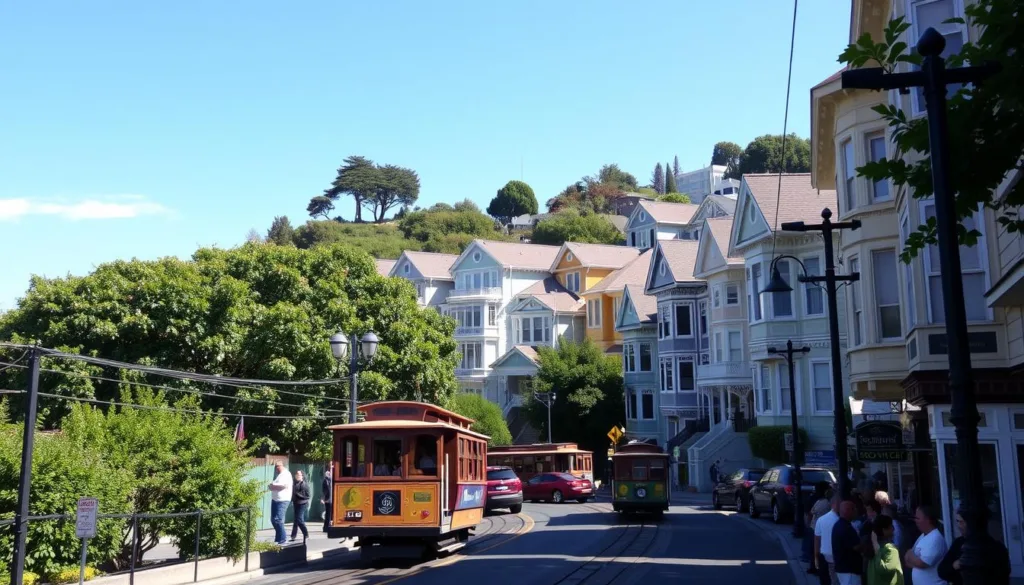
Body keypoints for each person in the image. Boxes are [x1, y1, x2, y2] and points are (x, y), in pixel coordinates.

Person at [937, 511, 1011, 585]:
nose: (959, 525)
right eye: (958, 521)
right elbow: (942, 570)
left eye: (962, 522)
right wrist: (955, 565)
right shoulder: (958, 543)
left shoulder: (996, 548)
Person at [904, 505, 947, 585]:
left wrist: (912, 558)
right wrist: (913, 559)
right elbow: (907, 560)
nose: (915, 521)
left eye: (918, 518)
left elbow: (922, 563)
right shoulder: (923, 536)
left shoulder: (935, 539)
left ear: (927, 520)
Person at [833, 500, 864, 585]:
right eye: (854, 509)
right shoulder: (845, 528)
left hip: (844, 569)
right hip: (849, 570)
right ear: (848, 510)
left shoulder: (839, 525)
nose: (856, 511)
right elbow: (856, 546)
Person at [866, 514, 903, 585]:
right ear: (884, 530)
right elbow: (885, 569)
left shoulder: (870, 547)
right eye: (891, 526)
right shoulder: (890, 549)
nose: (893, 529)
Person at [814, 493, 842, 585]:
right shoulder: (841, 521)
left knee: (825, 581)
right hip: (836, 558)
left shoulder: (821, 520)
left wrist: (816, 557)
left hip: (824, 556)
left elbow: (817, 539)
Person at [268, 461, 293, 545]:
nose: (276, 469)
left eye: (276, 467)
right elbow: (271, 486)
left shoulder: (286, 474)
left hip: (282, 500)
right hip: (275, 499)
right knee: (273, 520)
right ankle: (278, 538)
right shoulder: (279, 475)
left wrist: (273, 485)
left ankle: (282, 539)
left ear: (280, 466)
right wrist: (272, 486)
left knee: (278, 520)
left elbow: (282, 486)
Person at [290, 470, 310, 543]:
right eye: (296, 474)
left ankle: (306, 534)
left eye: (299, 475)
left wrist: (297, 494)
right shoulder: (295, 483)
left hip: (302, 503)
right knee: (296, 520)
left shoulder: (304, 484)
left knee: (299, 519)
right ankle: (293, 535)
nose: (297, 476)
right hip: (296, 503)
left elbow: (307, 496)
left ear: (302, 476)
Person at [321, 464, 333, 531]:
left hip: (332, 498)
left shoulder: (331, 477)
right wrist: (323, 498)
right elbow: (325, 489)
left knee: (330, 513)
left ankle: (328, 526)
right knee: (328, 513)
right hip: (329, 498)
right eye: (331, 466)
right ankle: (326, 527)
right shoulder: (327, 478)